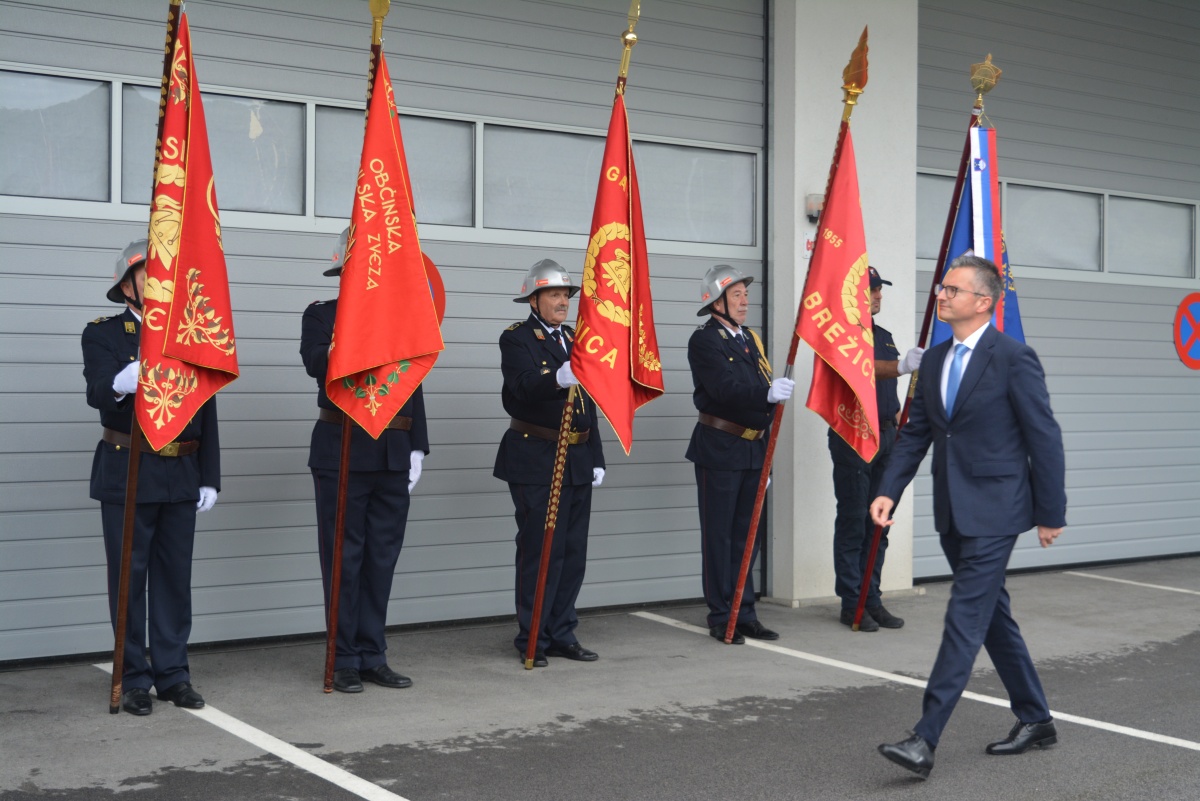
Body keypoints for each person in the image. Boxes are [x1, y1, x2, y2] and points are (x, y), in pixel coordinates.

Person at [871, 255, 1066, 779]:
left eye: (953, 289)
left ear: (983, 301)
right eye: (942, 288)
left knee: (963, 618)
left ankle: (924, 738)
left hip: (999, 509)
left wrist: (1050, 511)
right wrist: (891, 489)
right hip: (953, 509)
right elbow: (916, 433)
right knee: (990, 616)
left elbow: (1043, 436)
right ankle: (1036, 718)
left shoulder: (1013, 357)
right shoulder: (934, 360)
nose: (942, 295)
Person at [82, 239, 219, 716]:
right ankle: (134, 676)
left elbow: (207, 404)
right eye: (149, 273)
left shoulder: (188, 333)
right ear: (128, 285)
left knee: (173, 579)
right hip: (128, 470)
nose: (161, 281)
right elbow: (97, 389)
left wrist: (210, 475)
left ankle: (173, 674)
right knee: (128, 578)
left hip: (181, 470)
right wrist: (124, 379)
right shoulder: (104, 333)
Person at [301, 228, 429, 693]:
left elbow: (413, 378)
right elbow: (316, 361)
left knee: (381, 558)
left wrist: (418, 444)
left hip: (391, 451)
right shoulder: (323, 314)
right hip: (343, 448)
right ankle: (343, 657)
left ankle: (373, 653)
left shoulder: (399, 317)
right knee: (344, 558)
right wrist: (356, 330)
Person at [494, 259, 605, 667]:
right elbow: (521, 387)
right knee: (541, 549)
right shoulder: (517, 338)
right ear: (534, 299)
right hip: (536, 456)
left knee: (573, 550)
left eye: (566, 295)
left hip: (576, 456)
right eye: (555, 295)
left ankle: (562, 632)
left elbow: (589, 404)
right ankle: (532, 636)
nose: (563, 302)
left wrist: (596, 455)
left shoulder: (577, 338)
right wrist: (557, 378)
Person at [686, 264, 794, 645]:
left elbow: (758, 383)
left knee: (748, 535)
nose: (745, 301)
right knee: (719, 535)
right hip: (720, 447)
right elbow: (722, 388)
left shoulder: (750, 339)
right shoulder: (705, 341)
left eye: (746, 294)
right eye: (737, 295)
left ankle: (744, 611)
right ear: (716, 302)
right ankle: (721, 614)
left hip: (753, 447)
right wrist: (764, 395)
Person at [829, 266, 923, 632]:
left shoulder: (882, 335)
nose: (879, 295)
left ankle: (872, 599)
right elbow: (862, 372)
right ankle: (852, 604)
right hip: (853, 437)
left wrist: (900, 427)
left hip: (885, 437)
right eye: (872, 289)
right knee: (853, 521)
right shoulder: (843, 337)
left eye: (881, 288)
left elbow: (888, 393)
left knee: (878, 524)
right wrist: (900, 366)